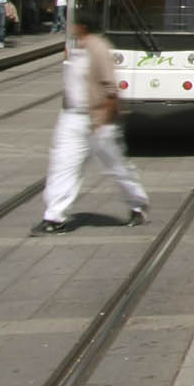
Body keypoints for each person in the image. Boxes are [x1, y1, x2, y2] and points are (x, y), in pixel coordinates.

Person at [31, 15, 149, 234]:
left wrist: (104, 119)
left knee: (115, 166)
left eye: (74, 25)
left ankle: (137, 204)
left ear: (82, 27)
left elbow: (110, 87)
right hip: (71, 118)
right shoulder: (77, 49)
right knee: (63, 164)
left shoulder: (98, 47)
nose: (71, 28)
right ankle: (54, 217)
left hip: (97, 119)